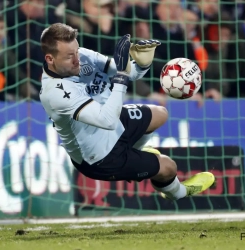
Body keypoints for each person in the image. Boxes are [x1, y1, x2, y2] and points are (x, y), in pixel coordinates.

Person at [39, 23, 214, 201]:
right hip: (98, 156)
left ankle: (134, 151)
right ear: (50, 59)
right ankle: (179, 193)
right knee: (169, 167)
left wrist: (141, 64)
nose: (77, 58)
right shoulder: (54, 93)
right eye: (70, 56)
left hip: (112, 122)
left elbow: (123, 70)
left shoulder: (82, 55)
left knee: (160, 113)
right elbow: (107, 119)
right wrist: (122, 76)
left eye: (76, 50)